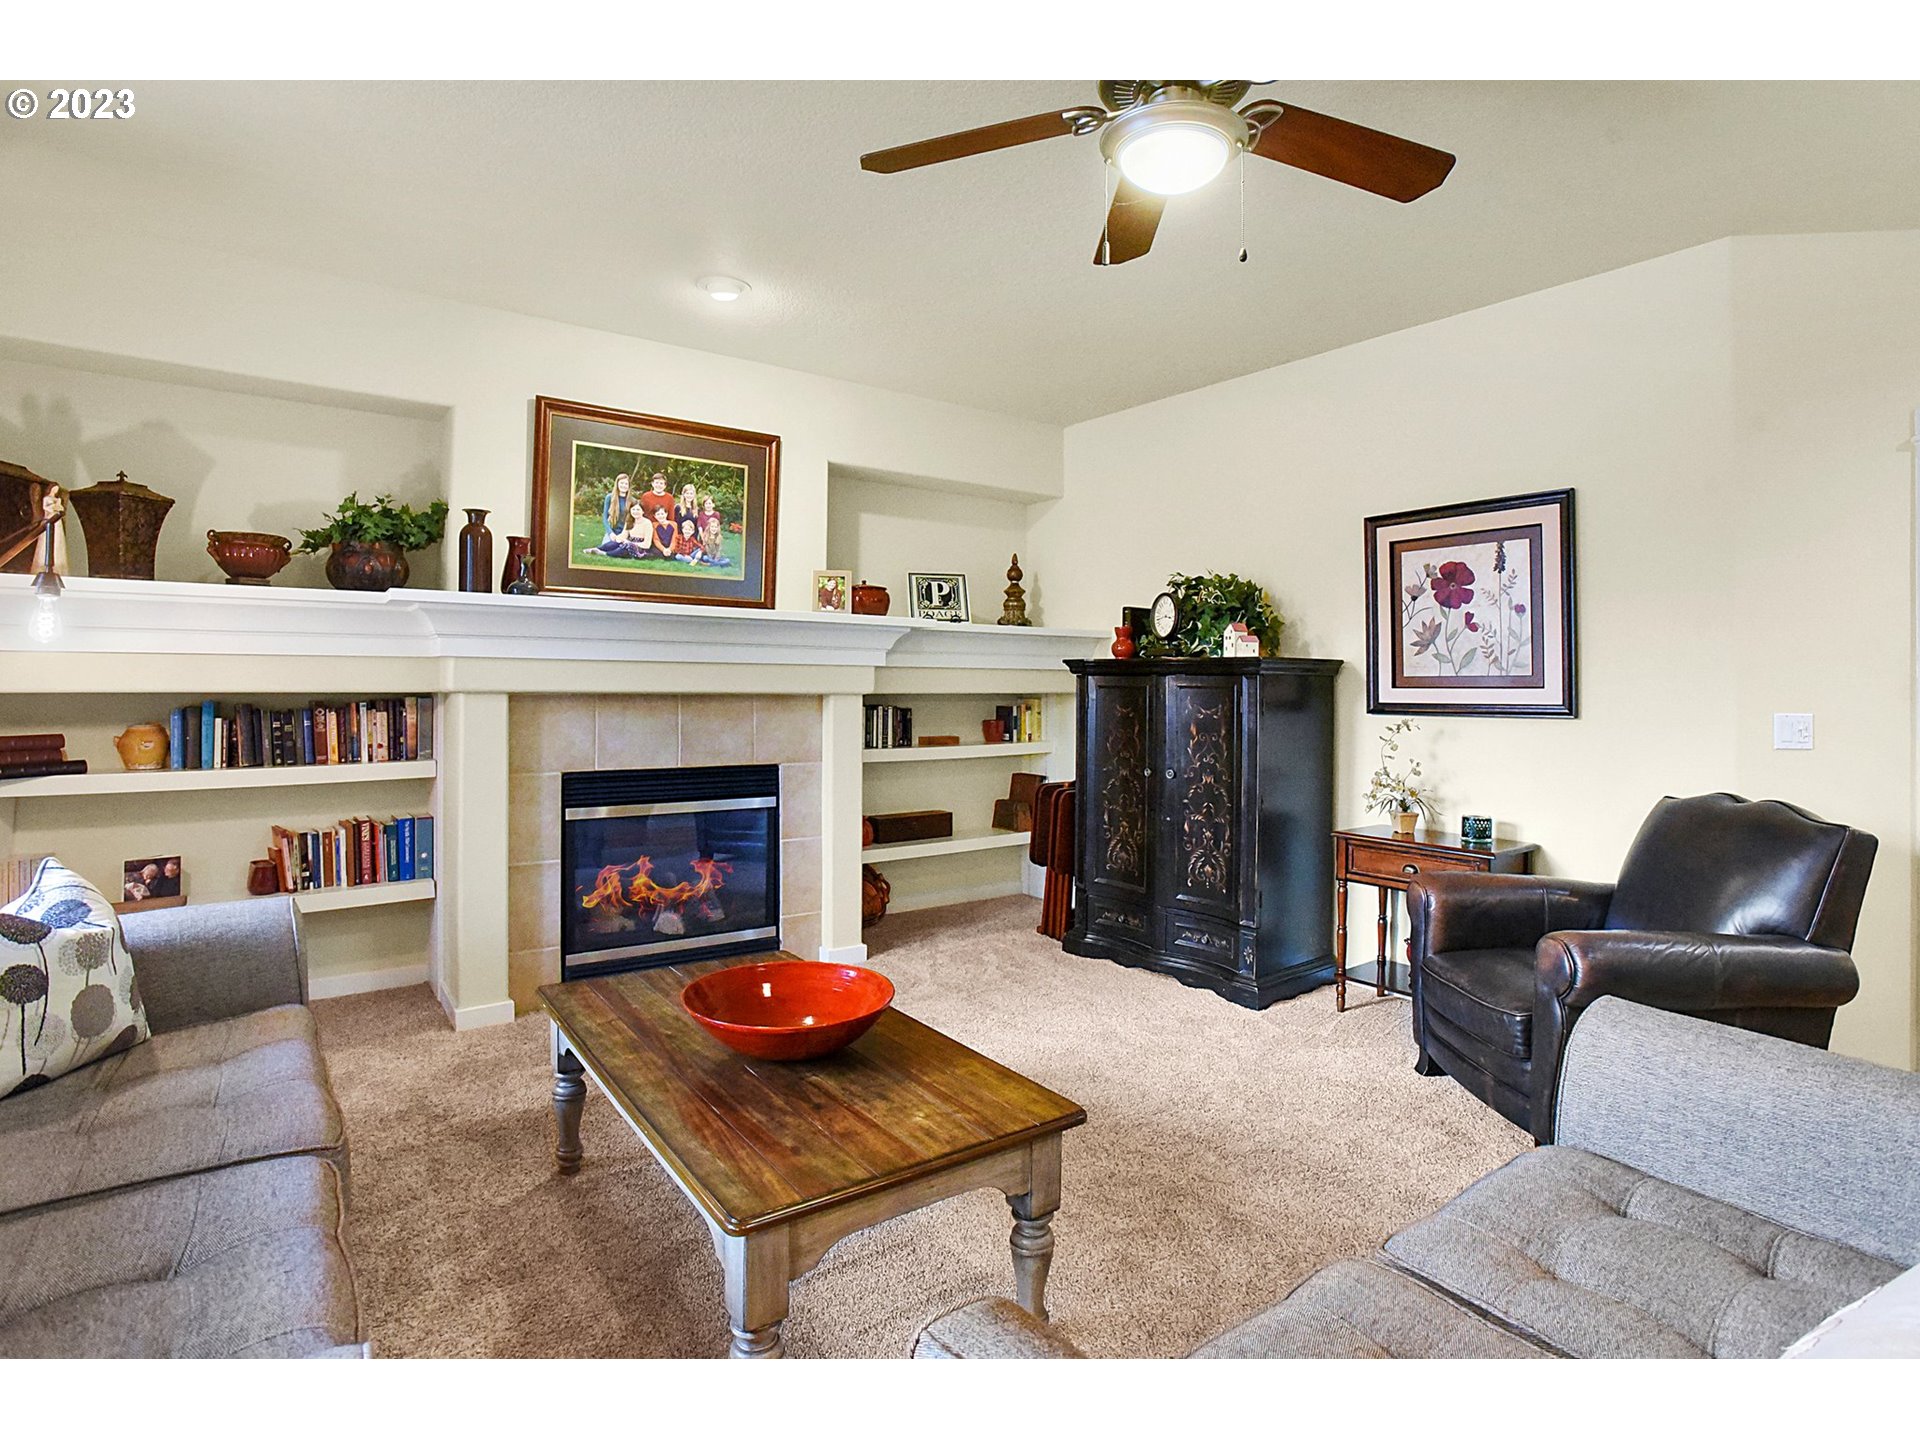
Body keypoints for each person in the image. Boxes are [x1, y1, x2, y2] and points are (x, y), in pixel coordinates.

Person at [599, 473, 632, 541]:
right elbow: (605, 518)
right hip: (613, 531)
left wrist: (624, 534)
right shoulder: (609, 498)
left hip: (626, 532)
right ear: (617, 484)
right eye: (622, 483)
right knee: (607, 547)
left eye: (626, 484)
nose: (624, 486)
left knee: (620, 549)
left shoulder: (632, 501)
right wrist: (610, 533)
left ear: (629, 486)